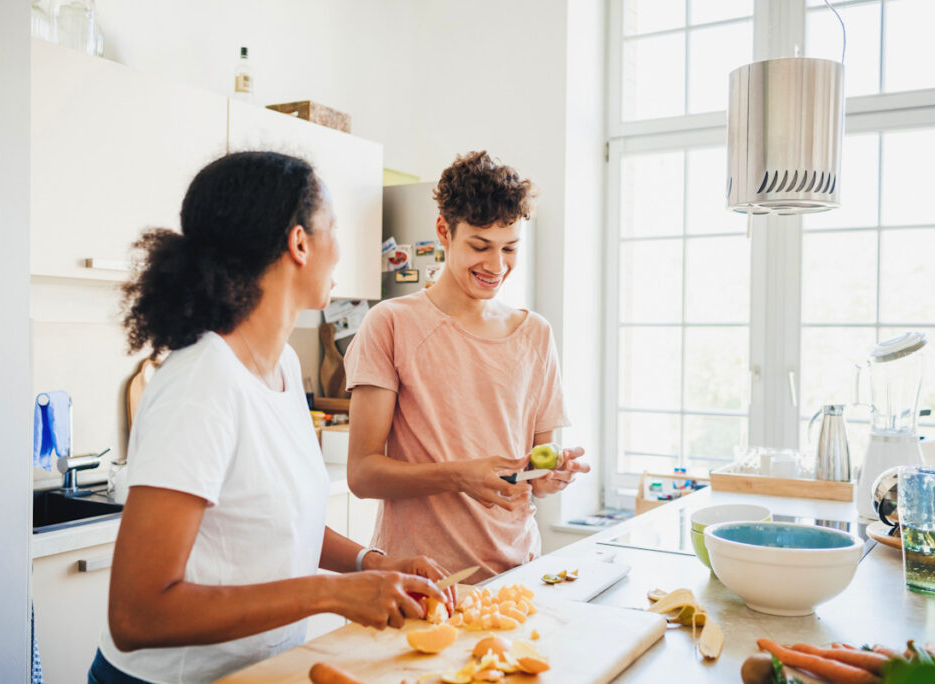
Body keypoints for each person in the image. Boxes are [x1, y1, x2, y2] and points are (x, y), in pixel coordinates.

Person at [90, 152, 451, 684]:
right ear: (299, 242)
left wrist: (369, 565)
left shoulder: (281, 365)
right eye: (333, 227)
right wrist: (331, 593)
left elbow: (280, 521)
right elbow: (136, 614)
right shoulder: (202, 385)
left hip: (258, 672)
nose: (341, 247)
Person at [344, 151, 590, 584]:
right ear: (444, 230)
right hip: (420, 580)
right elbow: (363, 474)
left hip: (519, 575)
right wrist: (460, 476)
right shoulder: (391, 323)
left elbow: (533, 472)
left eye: (510, 248)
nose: (497, 266)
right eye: (480, 246)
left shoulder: (536, 334)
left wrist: (551, 476)